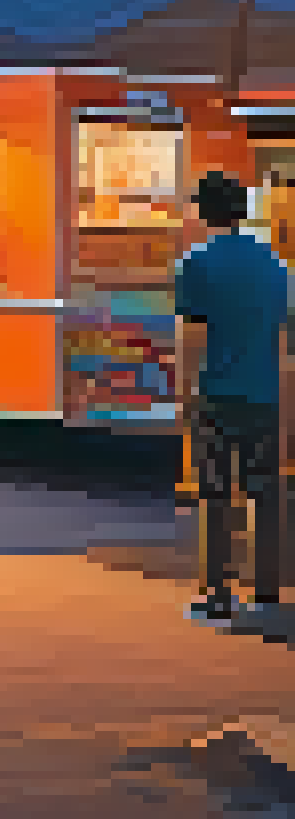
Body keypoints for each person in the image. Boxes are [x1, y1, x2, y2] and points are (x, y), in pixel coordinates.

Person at [177, 170, 289, 628]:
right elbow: (283, 341)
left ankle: (218, 594)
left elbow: (193, 336)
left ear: (204, 211)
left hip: (215, 393)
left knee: (216, 494)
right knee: (266, 492)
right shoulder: (274, 264)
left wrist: (185, 395)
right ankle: (267, 590)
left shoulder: (197, 262)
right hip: (264, 393)